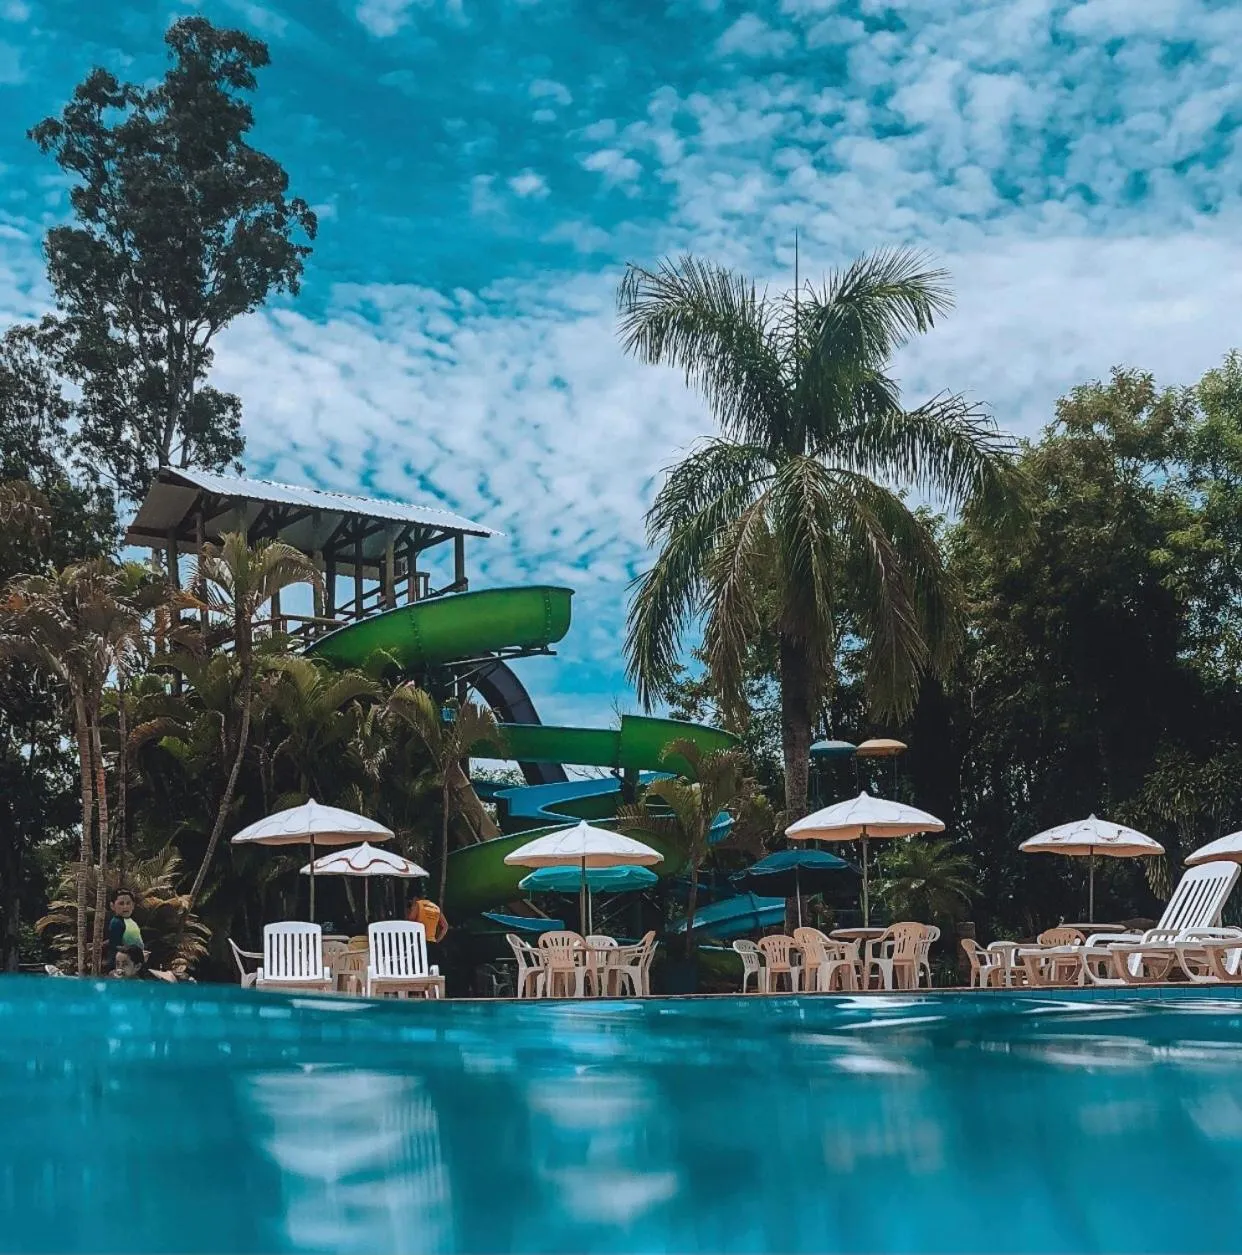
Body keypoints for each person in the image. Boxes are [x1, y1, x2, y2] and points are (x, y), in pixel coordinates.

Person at [106, 888, 144, 967]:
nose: (125, 907)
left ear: (133, 905)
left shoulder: (130, 921)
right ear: (112, 906)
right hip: (124, 963)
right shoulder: (116, 923)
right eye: (121, 903)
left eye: (128, 903)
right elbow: (115, 945)